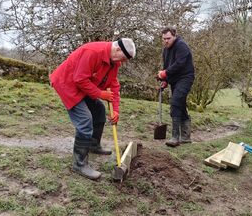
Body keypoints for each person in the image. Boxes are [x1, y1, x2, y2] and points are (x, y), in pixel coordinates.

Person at [50, 38, 136, 180]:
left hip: (83, 87)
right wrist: (100, 94)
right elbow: (79, 79)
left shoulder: (113, 62)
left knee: (99, 111)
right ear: (118, 50)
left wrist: (115, 110)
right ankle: (79, 164)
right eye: (124, 58)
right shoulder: (92, 52)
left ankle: (93, 145)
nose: (123, 62)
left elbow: (113, 85)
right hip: (68, 84)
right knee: (85, 120)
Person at [157, 27, 195, 147]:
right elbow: (167, 66)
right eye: (164, 39)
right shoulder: (165, 50)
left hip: (185, 77)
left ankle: (175, 137)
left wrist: (165, 73)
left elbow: (179, 64)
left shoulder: (181, 46)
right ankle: (186, 137)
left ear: (174, 36)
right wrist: (165, 80)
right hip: (175, 80)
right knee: (180, 104)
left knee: (175, 101)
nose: (166, 41)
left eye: (168, 38)